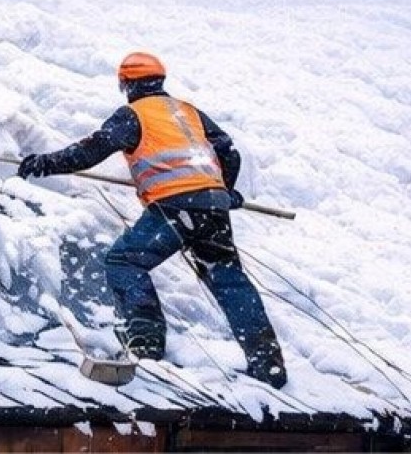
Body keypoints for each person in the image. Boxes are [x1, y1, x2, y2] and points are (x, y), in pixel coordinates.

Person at [17, 52, 287, 389]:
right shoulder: (187, 111)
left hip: (176, 206)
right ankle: (268, 365)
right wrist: (224, 191)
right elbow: (228, 151)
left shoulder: (134, 114)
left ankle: (147, 345)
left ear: (126, 83)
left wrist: (44, 164)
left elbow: (91, 150)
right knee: (230, 281)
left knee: (124, 261)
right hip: (213, 206)